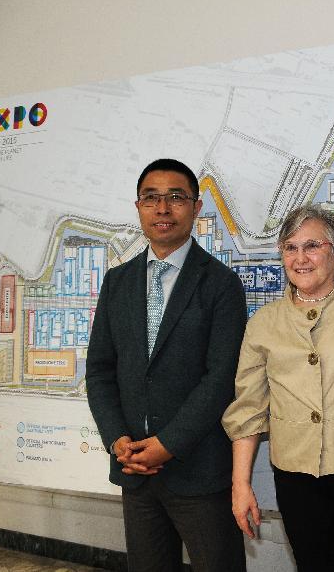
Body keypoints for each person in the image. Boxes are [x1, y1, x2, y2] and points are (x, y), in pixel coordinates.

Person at [222, 205, 334, 572]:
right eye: (290, 248)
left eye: (313, 246)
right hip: (296, 476)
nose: (300, 258)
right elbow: (249, 407)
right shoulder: (264, 323)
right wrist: (240, 483)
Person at [86, 158, 247, 572]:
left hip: (198, 470)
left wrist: (166, 445)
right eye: (151, 198)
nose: (163, 209)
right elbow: (101, 372)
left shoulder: (221, 284)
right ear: (138, 207)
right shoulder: (117, 282)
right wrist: (116, 438)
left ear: (195, 208)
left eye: (176, 198)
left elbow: (220, 379)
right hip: (134, 468)